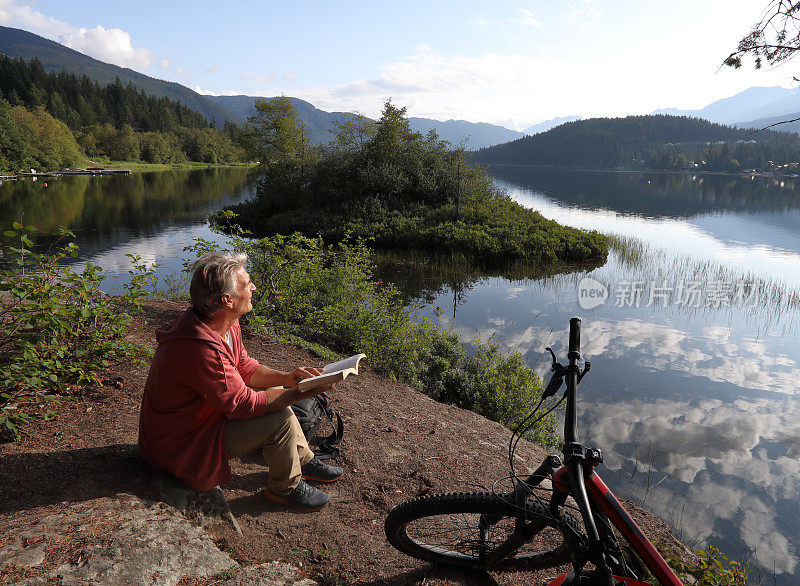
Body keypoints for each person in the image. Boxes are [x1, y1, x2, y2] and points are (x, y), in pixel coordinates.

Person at [138, 252, 342, 511]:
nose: (254, 287)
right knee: (279, 418)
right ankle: (284, 489)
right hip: (180, 446)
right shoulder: (199, 347)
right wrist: (301, 391)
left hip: (198, 422)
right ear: (228, 300)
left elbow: (244, 366)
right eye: (246, 285)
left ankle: (302, 460)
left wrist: (287, 378)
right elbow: (243, 404)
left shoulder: (224, 321)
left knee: (276, 395)